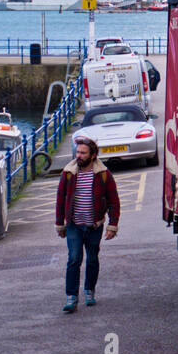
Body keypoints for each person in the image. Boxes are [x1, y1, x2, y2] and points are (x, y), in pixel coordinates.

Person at [55, 135, 121, 314]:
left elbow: (114, 201)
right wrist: (59, 224)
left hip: (94, 226)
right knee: (74, 259)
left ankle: (89, 291)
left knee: (92, 259)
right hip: (74, 225)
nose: (79, 155)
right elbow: (60, 199)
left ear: (93, 155)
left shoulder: (103, 174)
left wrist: (112, 225)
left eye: (83, 153)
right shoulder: (68, 173)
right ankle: (71, 297)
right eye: (77, 152)